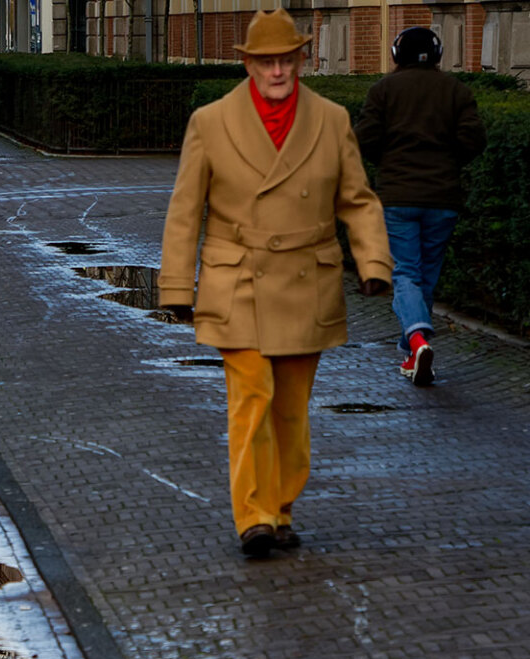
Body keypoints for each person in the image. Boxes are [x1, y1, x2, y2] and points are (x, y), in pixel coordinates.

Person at [159, 9, 391, 559]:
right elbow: (185, 209)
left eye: (286, 59)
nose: (278, 71)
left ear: (301, 60)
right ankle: (254, 516)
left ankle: (281, 508)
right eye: (266, 62)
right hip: (236, 277)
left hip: (306, 280)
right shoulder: (211, 122)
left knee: (290, 407)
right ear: (248, 65)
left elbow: (357, 200)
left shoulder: (331, 120)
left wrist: (374, 262)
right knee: (251, 396)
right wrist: (177, 287)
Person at [355, 28, 485, 387]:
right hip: (443, 198)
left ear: (397, 55)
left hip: (397, 197)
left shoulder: (383, 90)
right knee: (426, 276)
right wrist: (448, 164)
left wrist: (387, 163)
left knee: (405, 273)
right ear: (438, 55)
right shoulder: (457, 91)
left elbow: (363, 140)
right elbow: (474, 140)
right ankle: (414, 350)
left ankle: (415, 340)